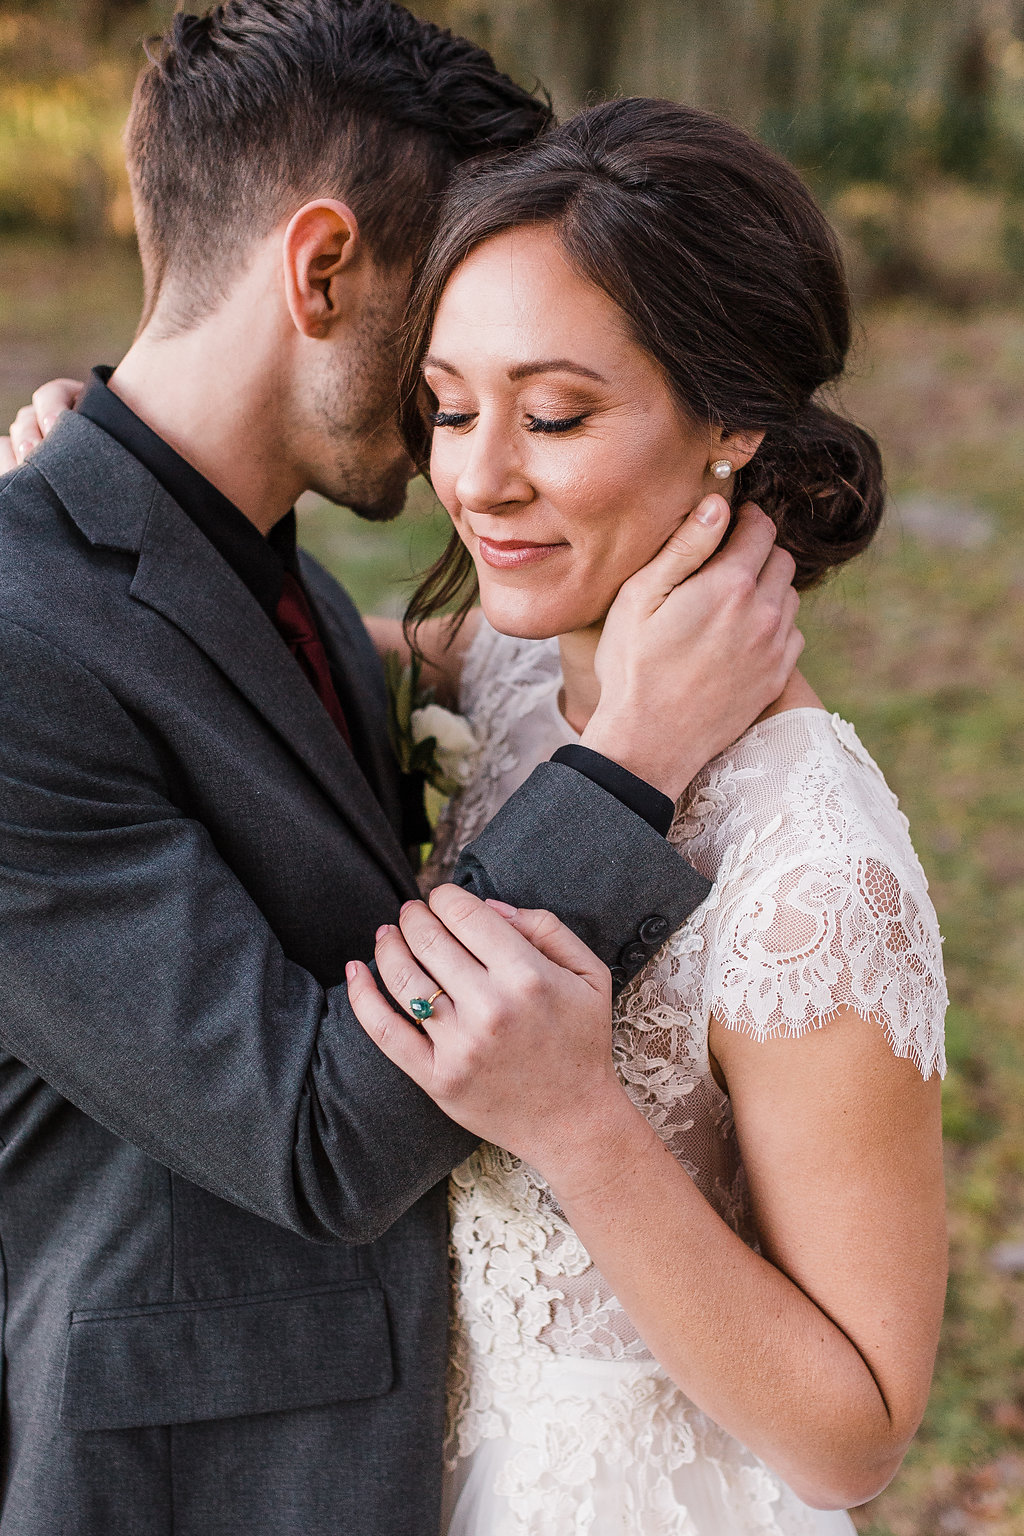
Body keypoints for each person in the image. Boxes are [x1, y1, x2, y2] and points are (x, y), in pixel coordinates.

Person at [0, 8, 802, 1535]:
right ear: (321, 270)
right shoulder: (19, 639)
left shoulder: (262, 573)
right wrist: (628, 759)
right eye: (438, 310)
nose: (458, 379)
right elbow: (313, 1135)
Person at [344, 99, 949, 1535]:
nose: (479, 477)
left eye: (555, 416)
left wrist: (580, 1124)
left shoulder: (817, 878)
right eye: (447, 404)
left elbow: (855, 1436)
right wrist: (92, 465)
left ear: (733, 420)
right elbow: (250, 657)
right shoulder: (504, 666)